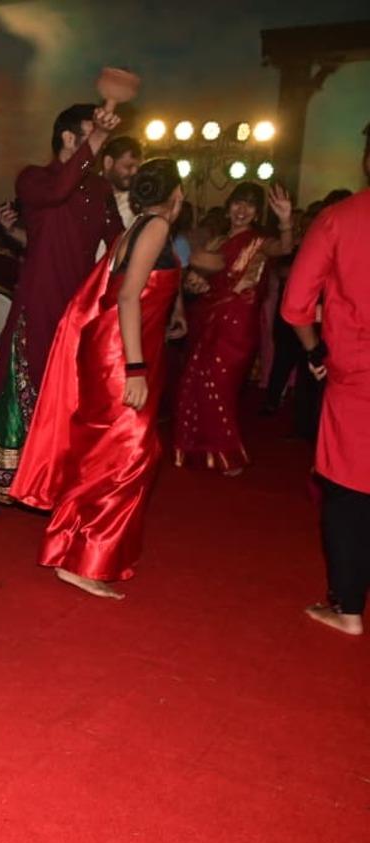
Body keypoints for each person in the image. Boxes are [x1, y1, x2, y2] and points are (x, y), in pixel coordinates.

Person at [10, 159, 187, 599]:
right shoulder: (156, 227)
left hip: (116, 348)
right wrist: (135, 369)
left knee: (103, 453)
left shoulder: (136, 228)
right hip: (121, 355)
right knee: (127, 455)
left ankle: (70, 545)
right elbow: (127, 296)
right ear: (177, 194)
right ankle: (85, 560)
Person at [0, 102, 123, 512]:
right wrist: (99, 139)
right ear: (68, 137)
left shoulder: (100, 188)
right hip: (38, 298)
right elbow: (59, 191)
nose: (96, 142)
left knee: (66, 394)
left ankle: (46, 477)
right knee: (20, 385)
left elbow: (116, 240)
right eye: (89, 133)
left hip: (78, 303)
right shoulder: (34, 178)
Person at [281, 132, 370, 637]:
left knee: (349, 491)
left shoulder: (339, 219)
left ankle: (348, 608)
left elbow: (296, 305)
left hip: (356, 375)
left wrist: (316, 351)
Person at [174, 181, 292, 475]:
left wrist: (285, 221)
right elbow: (200, 279)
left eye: (250, 205)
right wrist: (195, 283)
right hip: (207, 319)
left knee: (219, 386)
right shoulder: (217, 242)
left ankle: (229, 455)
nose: (242, 210)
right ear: (228, 208)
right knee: (194, 382)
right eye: (238, 203)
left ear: (257, 213)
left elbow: (285, 247)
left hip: (238, 324)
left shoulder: (259, 241)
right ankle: (198, 449)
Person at [100, 135, 142, 233]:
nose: (134, 173)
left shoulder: (136, 202)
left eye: (137, 168)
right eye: (128, 166)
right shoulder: (85, 191)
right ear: (108, 162)